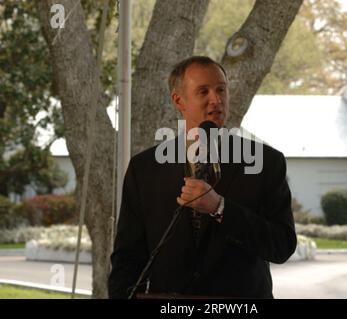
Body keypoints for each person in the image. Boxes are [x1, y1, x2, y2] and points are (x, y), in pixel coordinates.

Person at [108, 56, 296, 299]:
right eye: (203, 91)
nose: (215, 100)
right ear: (179, 101)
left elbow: (282, 246)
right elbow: (127, 257)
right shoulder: (145, 168)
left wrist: (220, 208)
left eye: (221, 90)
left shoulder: (265, 163)